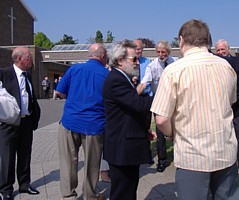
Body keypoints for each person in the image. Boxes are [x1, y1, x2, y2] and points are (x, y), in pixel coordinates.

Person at [151, 19, 239, 200]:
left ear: (181, 40)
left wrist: (170, 134)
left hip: (193, 156)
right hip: (225, 151)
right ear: (207, 40)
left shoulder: (174, 70)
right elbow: (230, 103)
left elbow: (160, 119)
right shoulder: (226, 66)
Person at [103, 40, 156, 200]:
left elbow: (128, 112)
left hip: (128, 145)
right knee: (122, 192)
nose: (138, 63)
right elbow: (138, 105)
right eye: (134, 59)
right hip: (122, 148)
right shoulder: (116, 80)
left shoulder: (123, 78)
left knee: (129, 189)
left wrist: (143, 130)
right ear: (120, 60)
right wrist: (162, 94)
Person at [56, 43, 109, 200]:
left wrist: (75, 101)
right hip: (94, 125)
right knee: (92, 164)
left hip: (69, 122)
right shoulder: (106, 74)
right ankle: (89, 195)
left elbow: (59, 91)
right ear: (102, 56)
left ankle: (68, 195)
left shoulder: (74, 69)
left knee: (67, 162)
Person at [0, 47, 41, 200]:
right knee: (8, 157)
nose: (31, 59)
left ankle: (24, 184)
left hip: (26, 122)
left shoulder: (28, 75)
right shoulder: (4, 73)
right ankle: (6, 189)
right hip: (9, 124)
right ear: (19, 59)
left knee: (25, 155)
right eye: (29, 56)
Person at [215, 39, 239, 176]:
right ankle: (226, 163)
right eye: (218, 50)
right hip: (221, 108)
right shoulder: (213, 64)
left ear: (228, 49)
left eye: (222, 49)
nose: (220, 52)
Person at [139, 40, 177, 172]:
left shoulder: (176, 63)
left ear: (169, 52)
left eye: (163, 52)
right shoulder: (152, 65)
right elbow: (144, 82)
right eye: (158, 52)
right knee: (160, 130)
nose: (161, 54)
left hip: (174, 98)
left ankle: (179, 157)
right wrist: (134, 94)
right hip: (159, 98)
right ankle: (162, 160)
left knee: (177, 128)